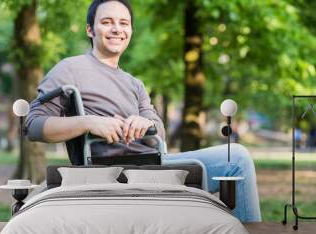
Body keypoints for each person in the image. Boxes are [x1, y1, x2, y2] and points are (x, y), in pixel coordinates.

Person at [26, 0, 261, 222]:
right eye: (107, 22)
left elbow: (159, 133)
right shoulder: (70, 68)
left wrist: (144, 124)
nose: (117, 29)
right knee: (236, 159)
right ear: (90, 30)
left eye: (123, 23)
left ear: (130, 31)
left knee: (235, 156)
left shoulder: (134, 83)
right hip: (118, 169)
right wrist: (89, 122)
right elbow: (33, 125)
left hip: (154, 160)